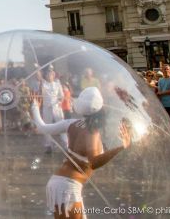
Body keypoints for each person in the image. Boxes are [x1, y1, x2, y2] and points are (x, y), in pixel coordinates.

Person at [31, 87, 131, 218]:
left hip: (58, 183)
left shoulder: (72, 123)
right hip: (68, 188)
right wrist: (121, 147)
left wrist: (34, 106)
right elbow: (94, 162)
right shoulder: (92, 133)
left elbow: (43, 128)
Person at [39, 67, 66, 153]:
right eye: (48, 75)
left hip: (57, 108)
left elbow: (61, 96)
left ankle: (66, 144)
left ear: (54, 75)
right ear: (46, 76)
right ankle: (49, 145)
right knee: (46, 126)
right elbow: (40, 93)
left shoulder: (57, 84)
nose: (50, 76)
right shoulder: (43, 84)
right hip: (47, 108)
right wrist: (38, 69)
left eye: (51, 74)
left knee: (62, 126)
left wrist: (58, 102)